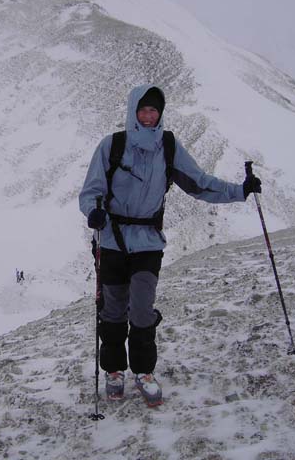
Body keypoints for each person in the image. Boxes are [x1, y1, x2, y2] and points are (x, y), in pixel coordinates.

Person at [79, 85, 261, 406]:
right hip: (112, 240)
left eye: (154, 111)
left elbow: (199, 183)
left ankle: (144, 371)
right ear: (133, 110)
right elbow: (92, 189)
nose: (149, 116)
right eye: (144, 110)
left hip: (148, 241)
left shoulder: (169, 146)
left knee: (142, 307)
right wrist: (93, 211)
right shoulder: (112, 145)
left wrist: (240, 191)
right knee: (112, 309)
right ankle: (113, 370)